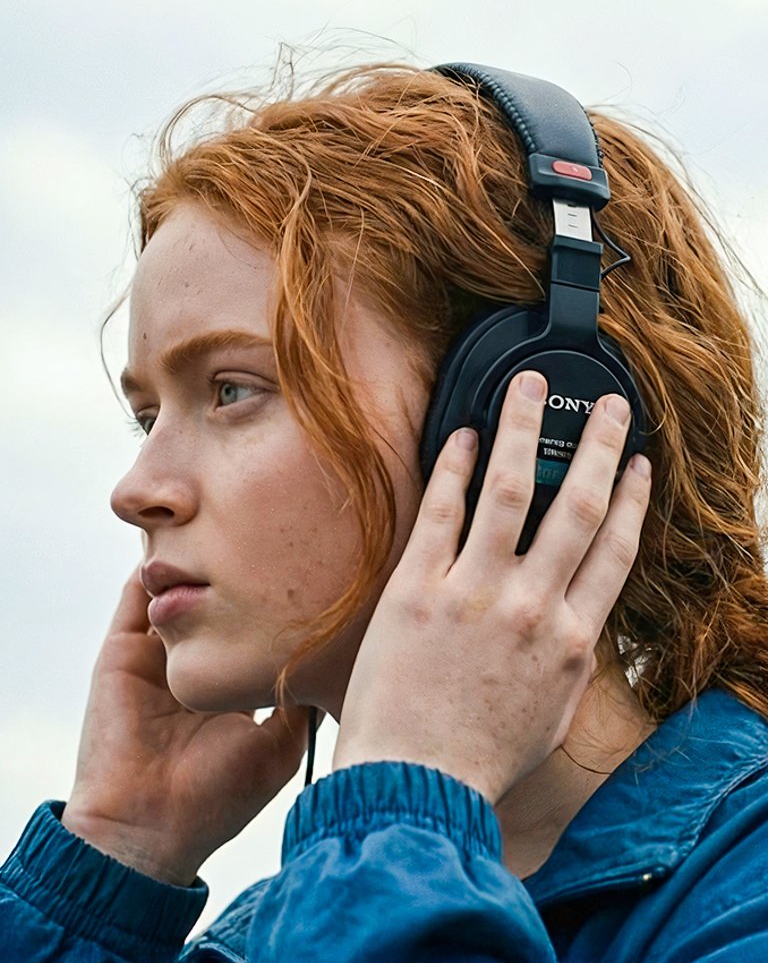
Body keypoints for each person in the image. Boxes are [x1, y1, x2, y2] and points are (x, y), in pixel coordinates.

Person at [2, 60, 767, 962]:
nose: (136, 490)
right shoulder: (264, 938)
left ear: (525, 416)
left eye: (232, 390)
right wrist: (109, 866)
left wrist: (409, 805)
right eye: (145, 415)